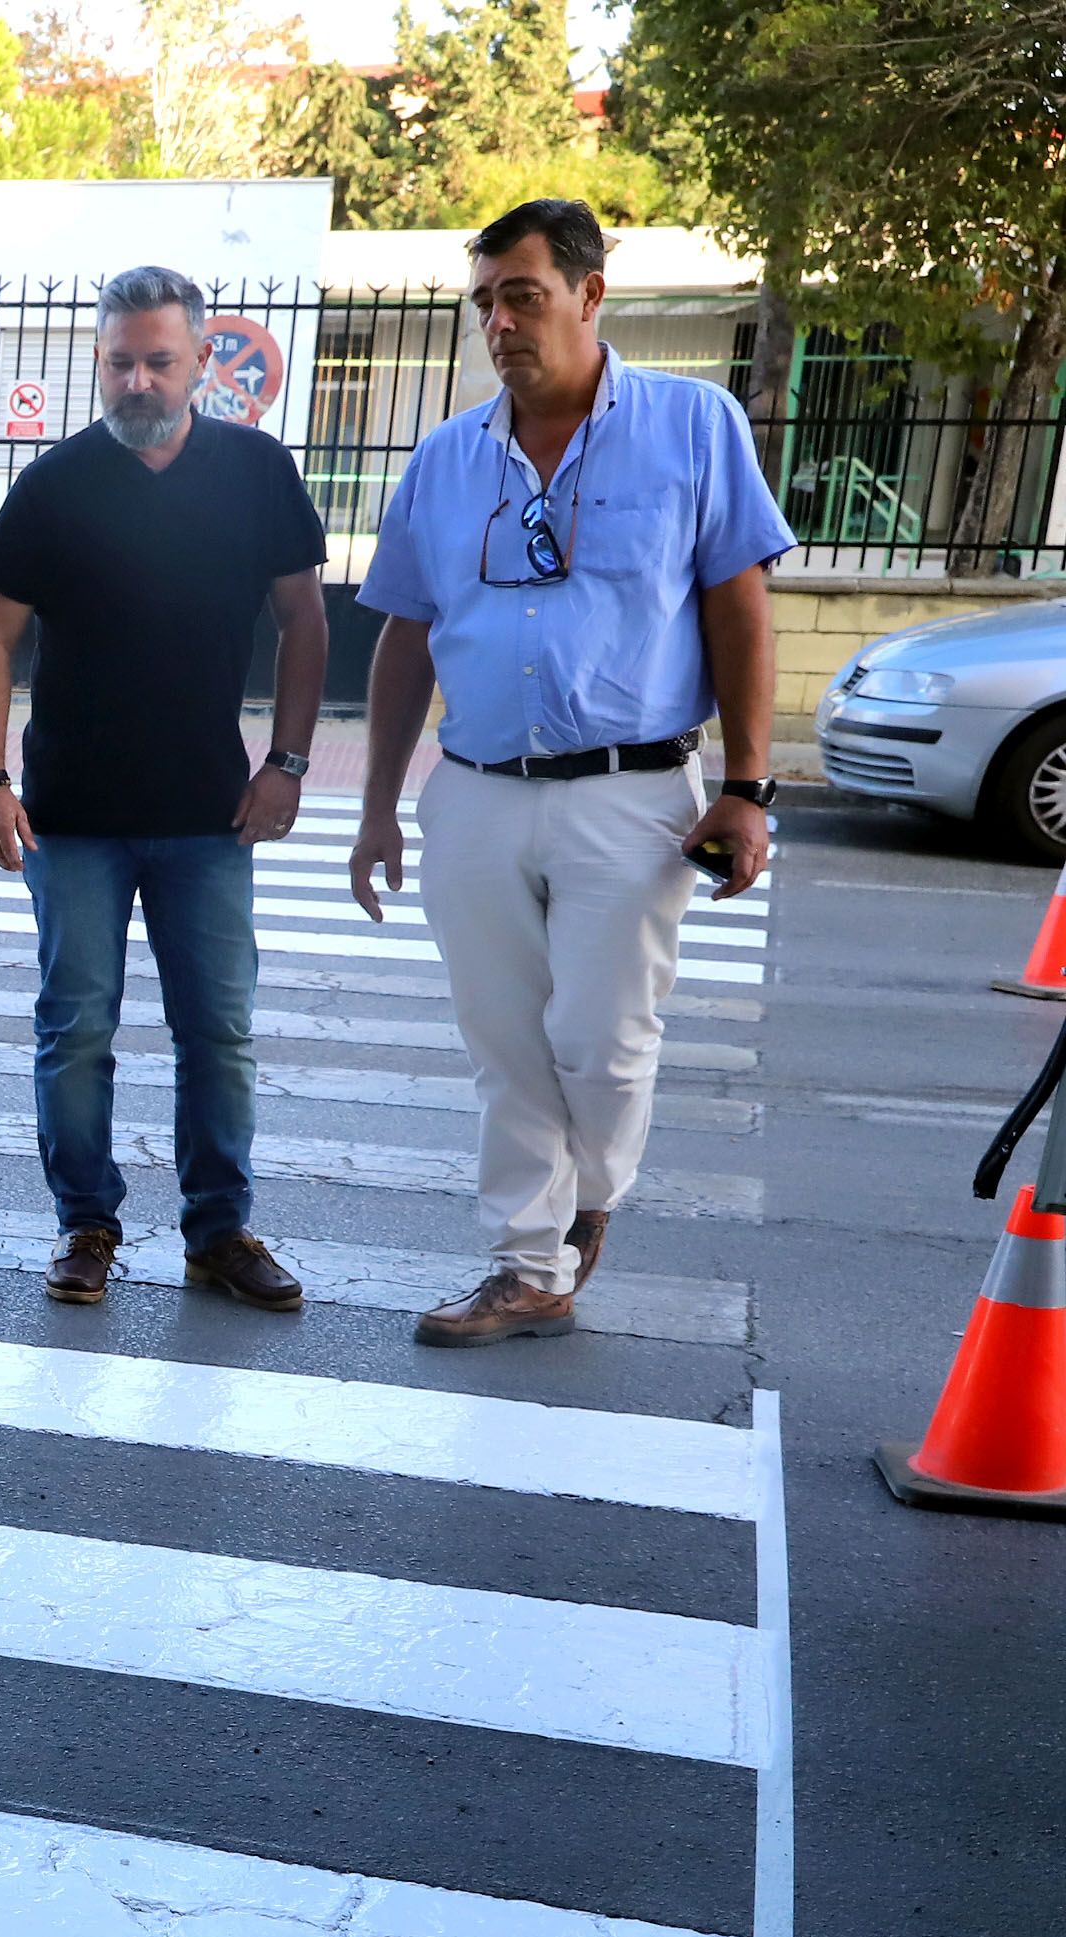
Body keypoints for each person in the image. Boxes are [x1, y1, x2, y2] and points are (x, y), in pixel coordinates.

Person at [351, 198, 792, 1345]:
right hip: (476, 791)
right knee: (503, 1044)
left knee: (600, 1043)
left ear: (589, 296)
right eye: (484, 299)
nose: (498, 321)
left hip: (630, 794)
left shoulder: (691, 426)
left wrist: (746, 786)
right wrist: (374, 809)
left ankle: (589, 1197)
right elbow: (403, 634)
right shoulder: (446, 457)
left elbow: (736, 605)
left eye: (522, 296)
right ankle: (525, 1261)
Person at [0, 262, 331, 1314]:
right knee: (73, 1027)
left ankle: (219, 1232)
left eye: (158, 361)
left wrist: (287, 765)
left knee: (217, 1029)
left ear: (200, 361)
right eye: (117, 362)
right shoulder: (53, 484)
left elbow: (304, 622)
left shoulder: (255, 472)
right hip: (70, 816)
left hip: (207, 815)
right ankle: (85, 1224)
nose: (136, 381)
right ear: (97, 361)